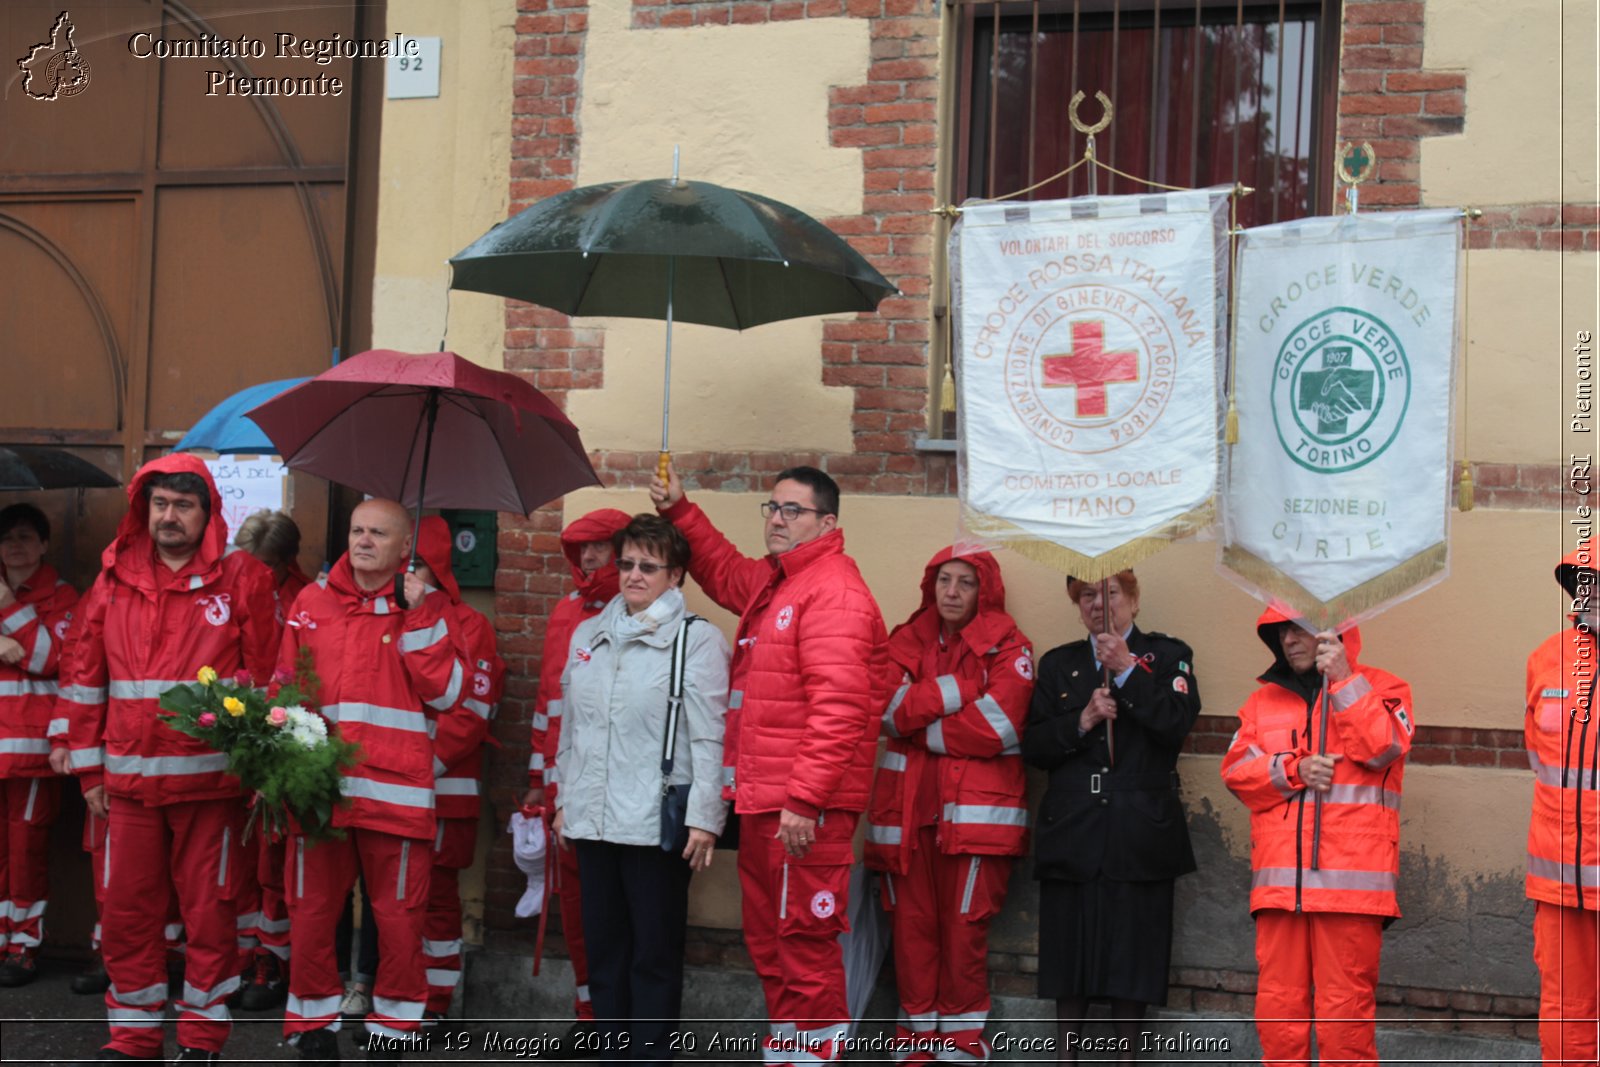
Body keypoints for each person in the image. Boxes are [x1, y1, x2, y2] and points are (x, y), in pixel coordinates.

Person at [650, 461, 888, 1065]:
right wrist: (679, 510)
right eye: (772, 508)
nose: (777, 519)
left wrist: (805, 800)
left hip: (802, 811)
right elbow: (727, 572)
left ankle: (814, 1057)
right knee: (771, 944)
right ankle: (789, 1055)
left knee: (805, 948)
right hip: (764, 804)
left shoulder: (833, 591)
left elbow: (839, 710)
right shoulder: (780, 582)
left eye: (792, 511)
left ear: (826, 522)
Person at [57, 453, 279, 1064]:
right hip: (125, 786)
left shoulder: (244, 579)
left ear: (207, 513)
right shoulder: (113, 579)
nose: (169, 517)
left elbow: (269, 682)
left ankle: (202, 1042)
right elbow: (83, 676)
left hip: (212, 788)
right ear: (143, 510)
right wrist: (87, 770)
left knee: (211, 918)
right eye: (159, 504)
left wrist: (259, 772)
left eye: (183, 505)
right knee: (128, 916)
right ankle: (133, 1040)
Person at [276, 498, 466, 1062]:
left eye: (378, 533)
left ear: (404, 547)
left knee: (399, 920)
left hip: (395, 794)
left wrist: (418, 616)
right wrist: (279, 766)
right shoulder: (310, 601)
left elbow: (449, 694)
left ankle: (394, 1032)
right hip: (320, 791)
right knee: (310, 913)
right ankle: (311, 1029)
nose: (362, 541)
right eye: (357, 530)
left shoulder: (424, 607)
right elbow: (284, 688)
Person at [552, 513, 730, 1062]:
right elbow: (572, 727)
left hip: (656, 823)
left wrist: (704, 819)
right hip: (592, 816)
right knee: (604, 950)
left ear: (675, 575)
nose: (633, 575)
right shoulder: (589, 633)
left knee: (651, 954)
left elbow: (710, 737)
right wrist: (564, 800)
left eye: (648, 567)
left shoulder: (697, 641)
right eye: (626, 563)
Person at [1221, 605, 1414, 1067]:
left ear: (1336, 633)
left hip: (1351, 892)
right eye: (1281, 631)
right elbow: (1235, 773)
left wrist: (1345, 680)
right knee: (1278, 1016)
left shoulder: (1385, 689)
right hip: (1281, 891)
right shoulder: (1261, 703)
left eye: (1301, 628)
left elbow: (1384, 747)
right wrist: (1293, 769)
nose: (1289, 639)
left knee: (1345, 1022)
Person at [1022, 572, 1200, 1063]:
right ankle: (1067, 1056)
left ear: (1134, 600)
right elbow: (1033, 745)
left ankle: (1126, 1057)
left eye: (1110, 594)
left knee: (1134, 951)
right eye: (1086, 597)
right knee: (1069, 950)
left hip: (1140, 827)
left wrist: (1125, 670)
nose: (1098, 606)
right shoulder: (1059, 664)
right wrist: (1081, 720)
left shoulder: (1167, 656)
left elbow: (1176, 723)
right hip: (1074, 825)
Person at [864, 548, 1033, 1062]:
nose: (952, 592)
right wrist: (959, 689)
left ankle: (961, 1043)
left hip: (977, 824)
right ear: (930, 585)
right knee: (911, 932)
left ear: (985, 590)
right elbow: (885, 710)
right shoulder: (904, 638)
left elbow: (996, 727)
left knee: (963, 935)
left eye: (964, 582)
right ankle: (915, 1040)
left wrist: (921, 722)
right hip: (906, 819)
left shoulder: (1010, 644)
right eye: (944, 580)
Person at [522, 507, 631, 1042]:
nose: (588, 558)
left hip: (615, 784)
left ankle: (619, 1019)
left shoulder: (635, 607)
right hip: (565, 782)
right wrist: (538, 779)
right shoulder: (566, 611)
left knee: (618, 908)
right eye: (580, 549)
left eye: (599, 548)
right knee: (577, 908)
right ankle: (588, 1014)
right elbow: (548, 703)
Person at [413, 516, 504, 1022]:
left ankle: (435, 1004)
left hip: (442, 789)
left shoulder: (471, 627)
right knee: (390, 900)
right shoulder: (383, 618)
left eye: (417, 565)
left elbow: (472, 713)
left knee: (436, 900)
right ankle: (398, 998)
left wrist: (417, 767)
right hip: (388, 788)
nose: (406, 575)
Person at [1524, 536, 1600, 1066]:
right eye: (1581, 583)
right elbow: (1539, 755)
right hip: (1561, 878)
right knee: (1565, 1010)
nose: (1587, 595)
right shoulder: (1547, 658)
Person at [230, 509, 309, 1011]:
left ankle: (274, 961)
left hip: (283, 740)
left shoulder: (305, 598)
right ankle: (239, 959)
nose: (249, 572)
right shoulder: (227, 586)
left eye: (260, 565)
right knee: (236, 863)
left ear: (283, 564)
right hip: (238, 739)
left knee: (274, 861)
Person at [0, 503, 78, 986]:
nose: (15, 545)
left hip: (31, 749)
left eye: (26, 536)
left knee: (25, 850)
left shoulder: (63, 595)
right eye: (6, 537)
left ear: (44, 544)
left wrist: (7, 607)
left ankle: (22, 946)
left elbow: (51, 657)